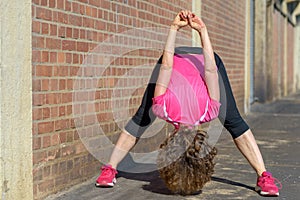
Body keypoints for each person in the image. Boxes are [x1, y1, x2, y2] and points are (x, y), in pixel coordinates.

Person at [95, 10, 281, 197]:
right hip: (177, 57)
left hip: (195, 58)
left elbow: (208, 70)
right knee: (232, 120)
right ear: (169, 142)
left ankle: (264, 177)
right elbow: (172, 66)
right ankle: (109, 169)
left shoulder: (210, 111)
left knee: (144, 117)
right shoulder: (163, 108)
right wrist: (178, 29)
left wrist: (200, 31)